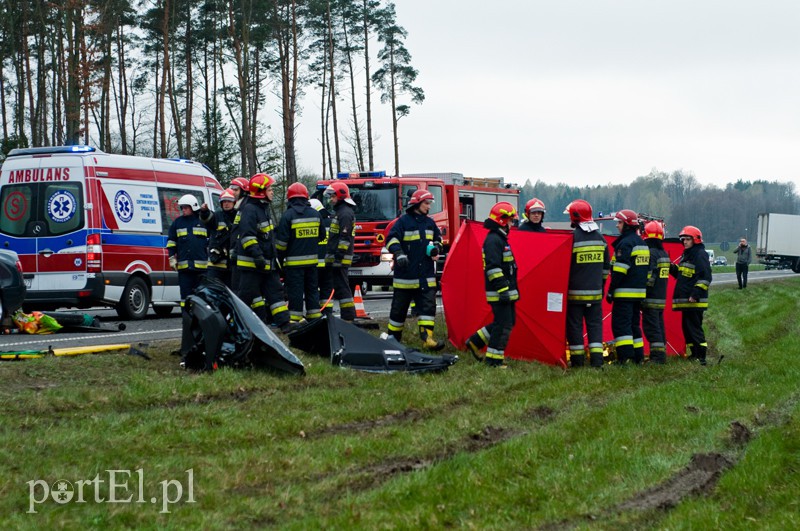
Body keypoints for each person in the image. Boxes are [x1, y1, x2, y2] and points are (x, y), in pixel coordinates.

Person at [385, 189, 445, 350]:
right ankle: (393, 339)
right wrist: (398, 253)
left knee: (428, 308)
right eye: (426, 204)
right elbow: (390, 239)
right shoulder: (403, 222)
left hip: (425, 276)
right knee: (398, 311)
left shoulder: (430, 223)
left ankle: (427, 339)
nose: (429, 207)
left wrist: (436, 249)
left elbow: (438, 239)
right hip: (405, 277)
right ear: (417, 204)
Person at [234, 173, 293, 333]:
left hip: (267, 264)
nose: (272, 192)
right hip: (253, 265)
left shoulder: (262, 208)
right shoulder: (250, 210)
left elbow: (267, 238)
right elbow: (247, 237)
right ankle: (234, 326)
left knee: (276, 294)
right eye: (270, 189)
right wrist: (257, 256)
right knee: (245, 297)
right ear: (261, 191)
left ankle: (285, 324)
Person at [465, 202, 519, 367]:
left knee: (506, 322)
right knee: (503, 325)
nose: (512, 224)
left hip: (504, 290)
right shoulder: (494, 240)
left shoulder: (499, 238)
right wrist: (503, 290)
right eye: (510, 220)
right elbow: (493, 268)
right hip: (499, 291)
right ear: (502, 220)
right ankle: (494, 361)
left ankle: (475, 342)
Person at [563, 199, 610, 368]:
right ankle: (597, 362)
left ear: (574, 217)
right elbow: (606, 268)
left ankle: (577, 362)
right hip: (596, 294)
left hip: (574, 295)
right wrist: (601, 286)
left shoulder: (572, 239)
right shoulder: (601, 239)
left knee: (575, 327)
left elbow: (565, 267)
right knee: (595, 327)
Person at [166, 194, 209, 365]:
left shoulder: (203, 221)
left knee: (202, 302)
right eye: (182, 208)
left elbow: (212, 239)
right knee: (185, 304)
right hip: (185, 272)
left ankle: (202, 338)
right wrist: (171, 257)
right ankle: (187, 338)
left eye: (186, 207)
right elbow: (171, 242)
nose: (183, 210)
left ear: (194, 207)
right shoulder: (177, 223)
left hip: (202, 272)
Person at [275, 183, 324, 324]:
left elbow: (281, 244)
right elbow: (322, 235)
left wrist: (279, 261)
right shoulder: (316, 214)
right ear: (306, 197)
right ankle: (314, 318)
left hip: (293, 265)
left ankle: (295, 319)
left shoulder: (287, 216)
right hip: (312, 264)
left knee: (295, 292)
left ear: (289, 199)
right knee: (312, 290)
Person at [607, 209, 649, 364]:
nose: (617, 226)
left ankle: (625, 358)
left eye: (619, 222)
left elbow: (620, 270)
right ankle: (638, 357)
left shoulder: (625, 244)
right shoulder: (642, 243)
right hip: (638, 294)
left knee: (621, 326)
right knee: (634, 326)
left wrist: (611, 290)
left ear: (626, 224)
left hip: (624, 293)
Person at [670, 226, 712, 365]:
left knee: (694, 328)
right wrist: (671, 267)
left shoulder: (700, 254)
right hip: (687, 300)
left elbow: (705, 277)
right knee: (687, 328)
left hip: (694, 300)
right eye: (683, 239)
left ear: (695, 240)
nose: (685, 242)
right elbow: (682, 276)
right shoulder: (687, 254)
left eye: (688, 239)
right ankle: (694, 354)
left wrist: (696, 294)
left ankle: (701, 356)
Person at [322, 181, 356, 321]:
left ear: (340, 196)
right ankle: (346, 316)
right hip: (336, 258)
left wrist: (338, 257)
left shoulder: (345, 213)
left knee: (342, 288)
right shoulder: (340, 212)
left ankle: (348, 317)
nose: (331, 200)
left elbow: (344, 237)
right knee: (339, 287)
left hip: (340, 259)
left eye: (333, 197)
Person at [641, 220, 670, 364]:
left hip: (651, 298)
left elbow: (650, 277)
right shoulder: (663, 253)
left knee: (652, 329)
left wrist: (642, 293)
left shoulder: (651, 253)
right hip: (661, 298)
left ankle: (658, 358)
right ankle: (660, 354)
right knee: (659, 327)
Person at [202, 188, 237, 287]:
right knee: (213, 290)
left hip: (232, 265)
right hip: (216, 264)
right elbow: (207, 219)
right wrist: (204, 212)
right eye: (224, 201)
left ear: (234, 202)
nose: (226, 204)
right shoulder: (216, 216)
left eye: (229, 201)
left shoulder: (239, 216)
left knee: (231, 292)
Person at [310, 198, 334, 312]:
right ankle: (327, 312)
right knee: (327, 289)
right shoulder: (332, 222)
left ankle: (314, 312)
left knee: (313, 289)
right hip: (328, 264)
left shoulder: (312, 223)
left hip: (314, 264)